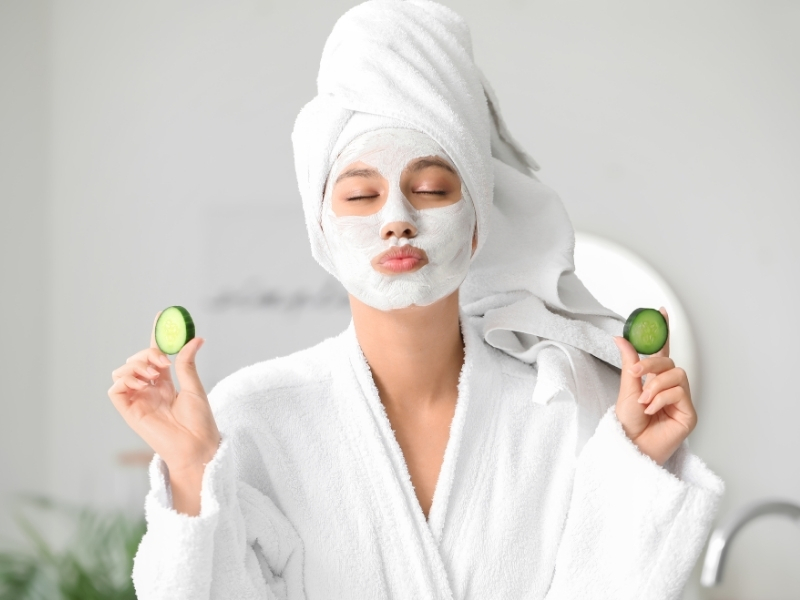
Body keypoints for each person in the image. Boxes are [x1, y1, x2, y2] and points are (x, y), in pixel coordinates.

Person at [108, 1, 723, 598]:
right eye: (359, 196)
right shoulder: (253, 417)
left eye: (430, 188)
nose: (397, 219)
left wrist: (636, 469)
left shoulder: (566, 405)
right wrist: (191, 471)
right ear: (321, 229)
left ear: (478, 220)